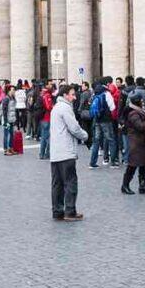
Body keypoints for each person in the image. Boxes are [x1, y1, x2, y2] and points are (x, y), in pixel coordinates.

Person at [50, 84, 89, 221]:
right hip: (66, 151)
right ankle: (70, 211)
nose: (74, 97)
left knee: (57, 184)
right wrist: (85, 136)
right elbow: (74, 128)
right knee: (70, 182)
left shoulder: (55, 107)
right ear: (65, 95)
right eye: (72, 94)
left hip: (55, 152)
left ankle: (57, 211)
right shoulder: (65, 108)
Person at [122, 92, 145, 195]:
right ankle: (125, 185)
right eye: (141, 100)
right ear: (137, 101)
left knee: (144, 165)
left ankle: (143, 186)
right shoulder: (133, 113)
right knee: (132, 166)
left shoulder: (141, 110)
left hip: (144, 142)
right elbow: (140, 127)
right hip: (136, 143)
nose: (142, 101)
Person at [0, 84, 18, 155]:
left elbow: (14, 109)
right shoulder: (6, 99)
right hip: (7, 119)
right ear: (9, 91)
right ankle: (5, 149)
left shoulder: (13, 98)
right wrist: (5, 121)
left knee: (12, 134)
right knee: (6, 135)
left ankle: (11, 148)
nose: (14, 91)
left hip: (12, 119)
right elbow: (4, 110)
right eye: (13, 90)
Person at [38, 84, 54, 160]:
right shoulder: (47, 96)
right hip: (47, 119)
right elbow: (48, 107)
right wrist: (53, 107)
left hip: (44, 119)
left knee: (45, 137)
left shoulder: (43, 95)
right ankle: (43, 154)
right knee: (46, 137)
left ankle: (45, 153)